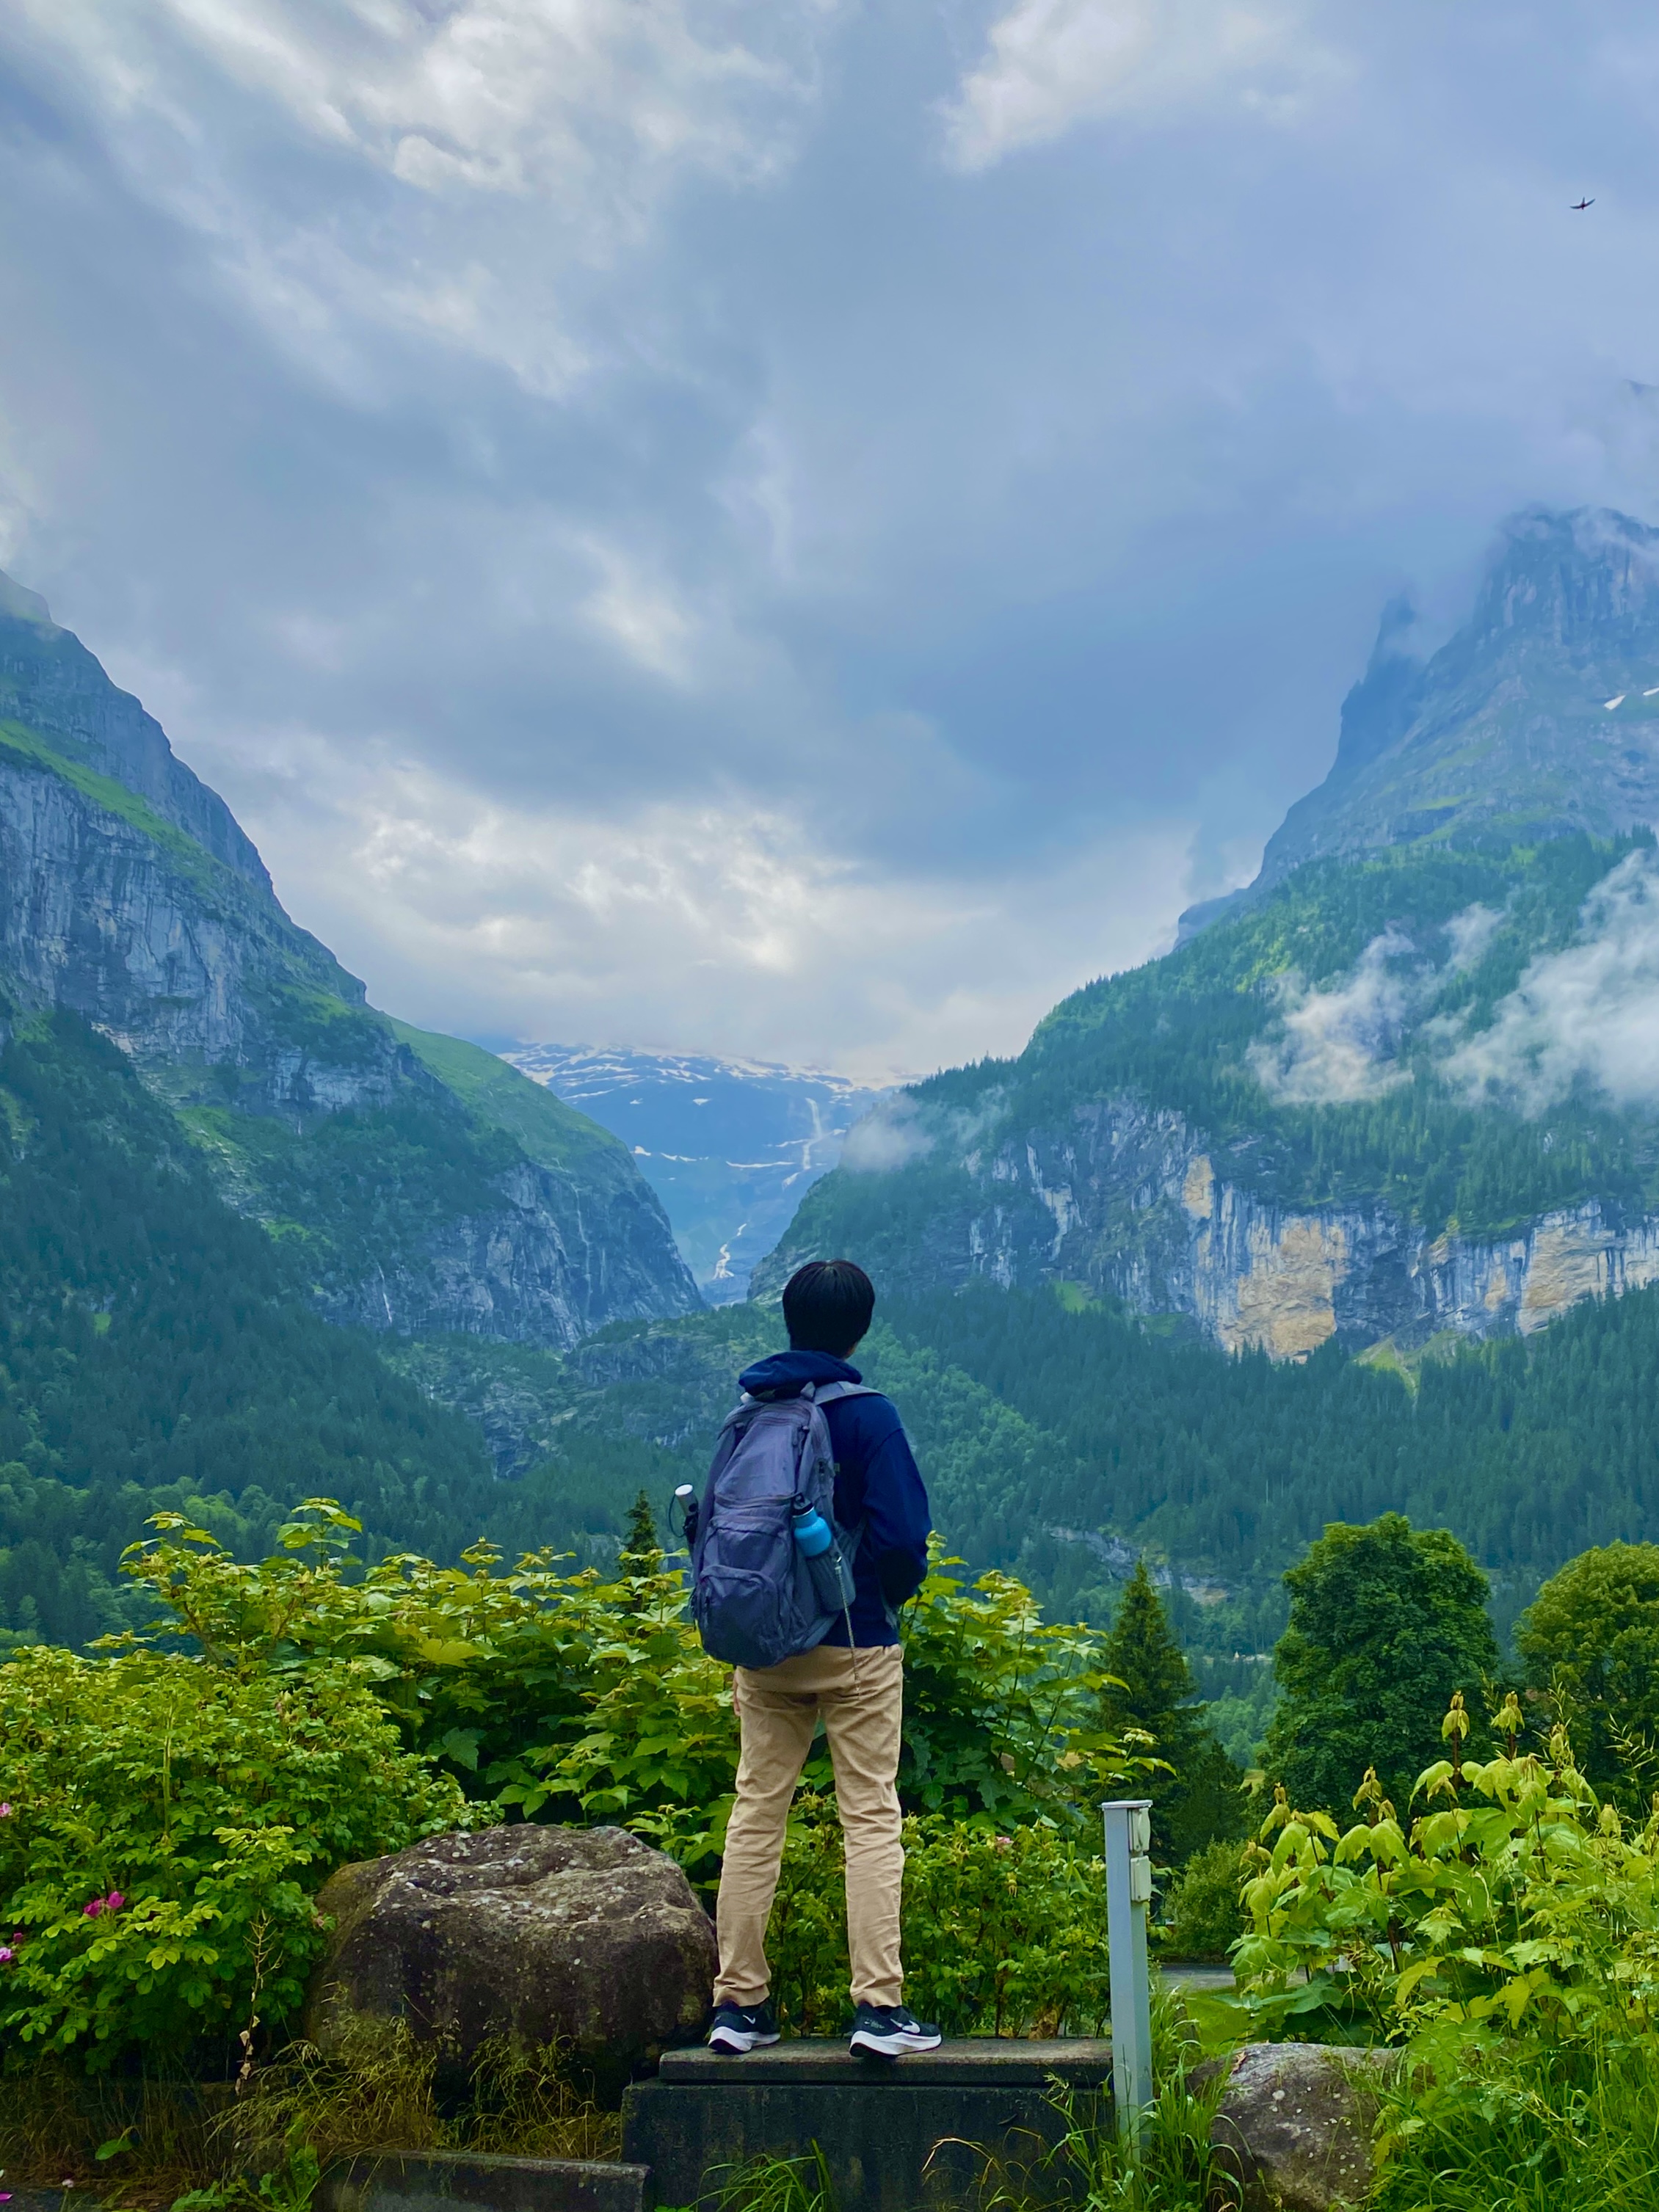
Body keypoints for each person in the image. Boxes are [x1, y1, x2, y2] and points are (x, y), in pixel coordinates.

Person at [705, 1258, 940, 2059]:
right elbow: (904, 1536)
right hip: (856, 1641)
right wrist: (883, 1597)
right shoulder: (869, 1417)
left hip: (766, 1648)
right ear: (860, 1326)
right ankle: (877, 2007)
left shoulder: (750, 1414)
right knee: (869, 1814)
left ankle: (739, 2003)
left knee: (754, 1813)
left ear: (789, 1319)